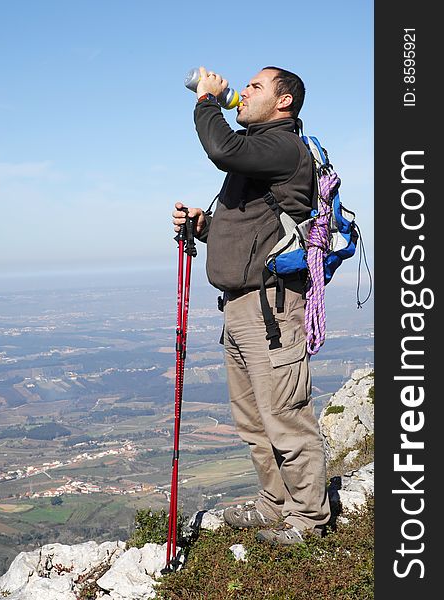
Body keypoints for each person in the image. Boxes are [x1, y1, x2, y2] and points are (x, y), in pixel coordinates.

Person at [172, 66, 331, 546]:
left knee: (284, 414)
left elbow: (222, 149)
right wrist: (203, 225)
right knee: (253, 420)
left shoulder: (283, 146)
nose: (243, 92)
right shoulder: (256, 159)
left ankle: (309, 520)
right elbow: (249, 223)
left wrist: (207, 100)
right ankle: (275, 502)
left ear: (284, 102)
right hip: (240, 308)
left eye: (255, 87)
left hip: (272, 310)